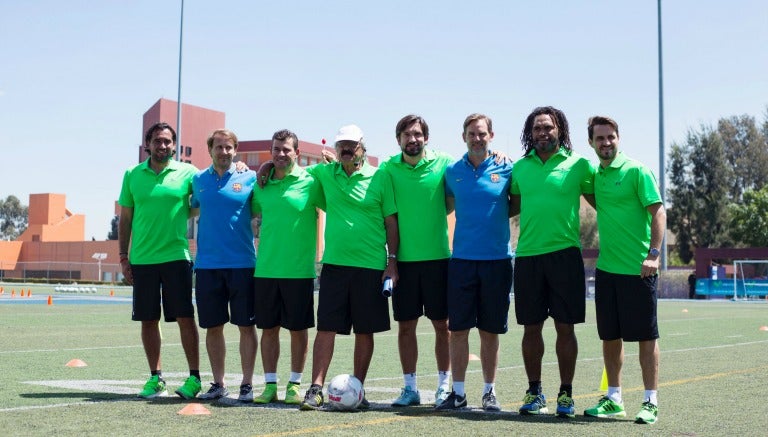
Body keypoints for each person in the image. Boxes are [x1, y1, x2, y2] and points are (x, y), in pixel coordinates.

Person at [299, 124, 399, 411]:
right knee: (326, 328)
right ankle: (315, 388)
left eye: (351, 145)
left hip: (371, 267)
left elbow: (391, 222)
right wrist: (267, 164)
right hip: (334, 266)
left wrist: (392, 263)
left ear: (362, 148)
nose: (346, 149)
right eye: (341, 144)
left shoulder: (380, 176)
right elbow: (290, 171)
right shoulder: (324, 174)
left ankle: (358, 388)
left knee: (364, 331)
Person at [510, 106, 595, 418]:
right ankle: (534, 391)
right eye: (537, 129)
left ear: (560, 130)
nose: (542, 133)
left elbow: (604, 204)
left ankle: (566, 394)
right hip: (529, 257)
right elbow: (511, 207)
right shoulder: (519, 169)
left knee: (565, 327)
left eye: (548, 127)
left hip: (565, 257)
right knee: (531, 329)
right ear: (529, 134)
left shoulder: (580, 165)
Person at [582, 116, 665, 425]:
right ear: (591, 142)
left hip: (639, 271)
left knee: (646, 337)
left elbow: (658, 211)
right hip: (607, 271)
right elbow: (592, 198)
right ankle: (614, 398)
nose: (606, 143)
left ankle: (650, 401)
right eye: (600, 138)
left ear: (618, 138)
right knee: (610, 337)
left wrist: (653, 255)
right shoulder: (595, 176)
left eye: (611, 137)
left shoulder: (637, 171)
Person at [118, 122, 202, 400]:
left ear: (174, 146)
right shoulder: (132, 174)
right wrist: (123, 256)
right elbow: (126, 219)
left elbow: (204, 198)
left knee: (185, 317)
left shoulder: (188, 173)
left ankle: (194, 378)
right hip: (142, 259)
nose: (163, 146)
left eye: (167, 141)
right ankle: (156, 378)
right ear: (148, 145)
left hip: (176, 257)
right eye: (157, 141)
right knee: (148, 319)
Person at [436, 113, 513, 412]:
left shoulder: (508, 167)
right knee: (458, 329)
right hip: (462, 261)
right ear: (463, 137)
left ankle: (489, 392)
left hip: (497, 260)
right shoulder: (452, 171)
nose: (477, 138)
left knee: (490, 331)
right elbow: (446, 203)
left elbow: (514, 203)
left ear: (491, 135)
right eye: (471, 133)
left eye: (482, 133)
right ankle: (457, 392)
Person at [379, 115, 453, 407]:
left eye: (418, 134)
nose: (413, 139)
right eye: (407, 134)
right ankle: (410, 388)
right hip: (403, 264)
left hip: (438, 260)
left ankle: (444, 387)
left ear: (426, 138)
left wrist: (497, 154)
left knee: (442, 326)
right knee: (406, 327)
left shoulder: (444, 162)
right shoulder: (387, 168)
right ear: (398, 139)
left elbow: (475, 163)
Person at [251, 129, 324, 405]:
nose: (281, 154)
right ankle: (270, 385)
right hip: (266, 270)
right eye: (276, 150)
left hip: (298, 271)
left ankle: (294, 384)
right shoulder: (262, 182)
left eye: (286, 150)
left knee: (298, 330)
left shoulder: (312, 181)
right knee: (268, 330)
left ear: (297, 153)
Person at [191, 129, 258, 402]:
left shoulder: (250, 177)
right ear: (211, 150)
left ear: (235, 150)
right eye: (219, 147)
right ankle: (218, 383)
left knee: (246, 326)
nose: (224, 152)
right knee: (213, 327)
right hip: (207, 265)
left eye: (229, 147)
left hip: (242, 264)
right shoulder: (197, 180)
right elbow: (191, 207)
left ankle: (247, 384)